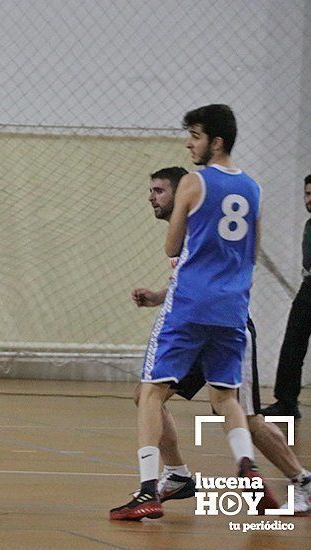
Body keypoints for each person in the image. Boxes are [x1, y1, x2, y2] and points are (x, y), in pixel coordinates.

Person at [110, 104, 267, 521]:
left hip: (191, 306)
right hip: (233, 308)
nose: (189, 143)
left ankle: (148, 489)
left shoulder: (194, 183)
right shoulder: (253, 188)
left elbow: (172, 246)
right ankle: (246, 466)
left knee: (151, 392)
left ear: (215, 142)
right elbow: (252, 252)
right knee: (226, 396)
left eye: (195, 136)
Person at [131, 168, 309, 514]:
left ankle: (302, 479)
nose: (153, 196)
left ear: (182, 193)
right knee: (147, 396)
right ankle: (178, 473)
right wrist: (158, 296)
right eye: (151, 190)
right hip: (194, 324)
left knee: (246, 416)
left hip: (225, 326)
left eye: (160, 190)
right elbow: (193, 283)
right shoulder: (187, 231)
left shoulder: (201, 224)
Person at [260, 174, 311, 420]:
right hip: (308, 289)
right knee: (293, 345)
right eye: (307, 194)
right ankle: (286, 402)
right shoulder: (309, 224)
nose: (309, 200)